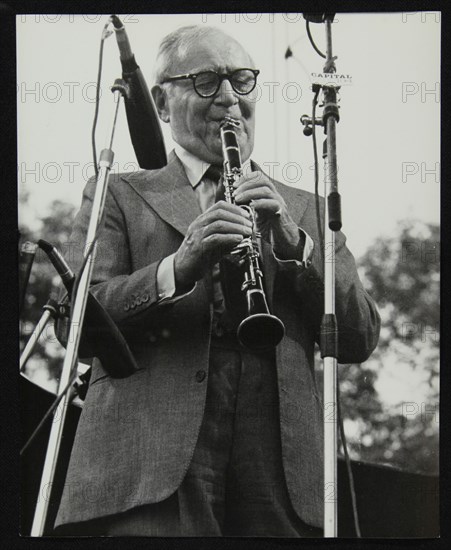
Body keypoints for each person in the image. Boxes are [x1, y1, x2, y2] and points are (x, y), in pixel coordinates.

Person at [54, 25, 380, 537]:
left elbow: (359, 336)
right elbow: (75, 322)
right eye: (206, 80)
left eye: (242, 80)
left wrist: (297, 247)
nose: (229, 97)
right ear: (162, 102)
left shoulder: (307, 208)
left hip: (279, 474)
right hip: (149, 464)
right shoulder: (117, 192)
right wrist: (178, 267)